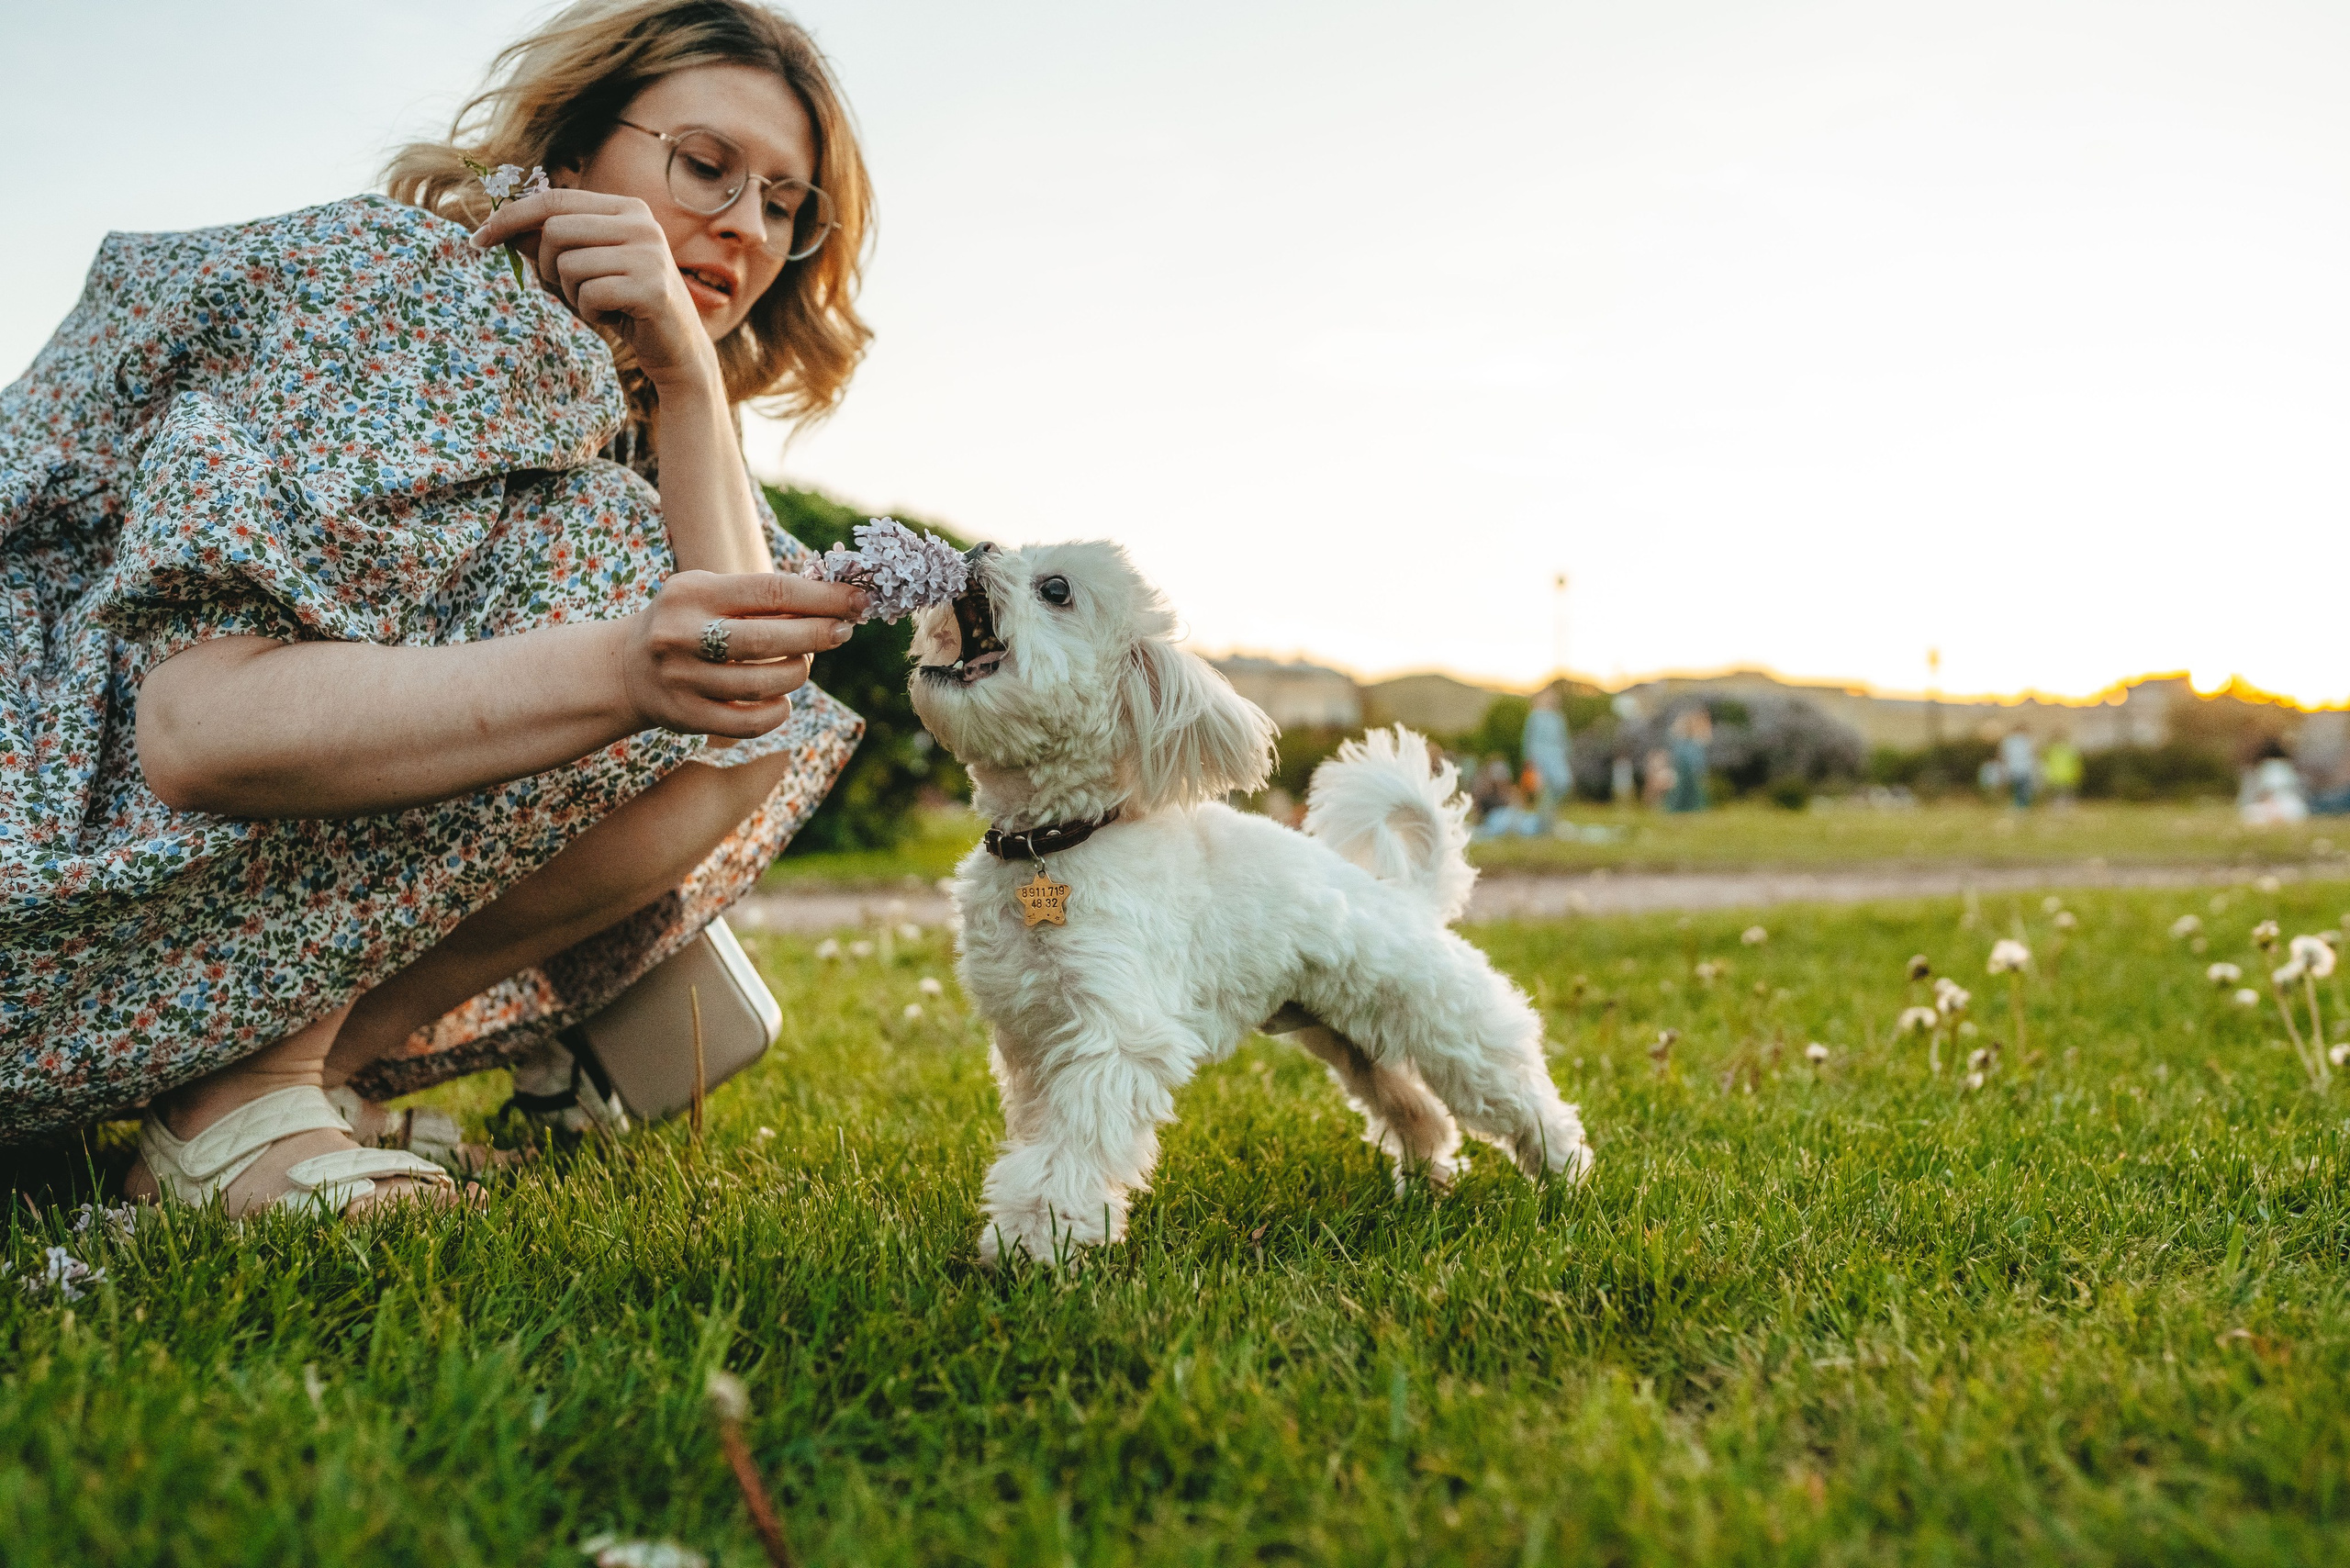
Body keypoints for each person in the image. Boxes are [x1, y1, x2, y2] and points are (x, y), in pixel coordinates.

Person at [1, 0, 878, 1214]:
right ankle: (239, 1108)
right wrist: (626, 667)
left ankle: (275, 1100)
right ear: (569, 158)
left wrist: (686, 382)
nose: (741, 222)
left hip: (63, 928)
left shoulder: (587, 406)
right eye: (706, 166)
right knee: (642, 576)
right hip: (28, 870)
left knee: (755, 698)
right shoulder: (409, 291)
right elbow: (196, 730)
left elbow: (748, 697)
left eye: (782, 204)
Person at [1520, 688, 1572, 833]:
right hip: (1539, 757)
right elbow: (1528, 740)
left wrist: (1565, 755)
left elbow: (1563, 739)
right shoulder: (1535, 716)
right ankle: (1544, 824)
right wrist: (1530, 760)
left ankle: (1551, 817)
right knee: (1543, 791)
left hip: (1557, 757)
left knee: (1563, 784)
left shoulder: (1558, 717)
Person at [1665, 706, 1711, 813]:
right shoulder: (1682, 742)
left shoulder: (1695, 741)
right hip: (1684, 769)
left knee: (1693, 790)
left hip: (1691, 769)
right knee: (1683, 790)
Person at [1999, 727, 2038, 809]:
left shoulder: (2009, 740)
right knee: (2024, 789)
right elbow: (2033, 754)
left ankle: (2018, 806)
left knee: (2016, 789)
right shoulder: (2027, 740)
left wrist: (2004, 768)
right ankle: (2023, 806)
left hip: (2013, 768)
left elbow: (2004, 755)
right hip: (2025, 768)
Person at [2040, 738, 2082, 807]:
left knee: (2058, 793)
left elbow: (2045, 761)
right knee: (2066, 792)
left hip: (2056, 776)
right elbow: (2075, 763)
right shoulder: (2069, 750)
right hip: (2067, 775)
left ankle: (2058, 806)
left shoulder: (2051, 750)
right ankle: (2067, 806)